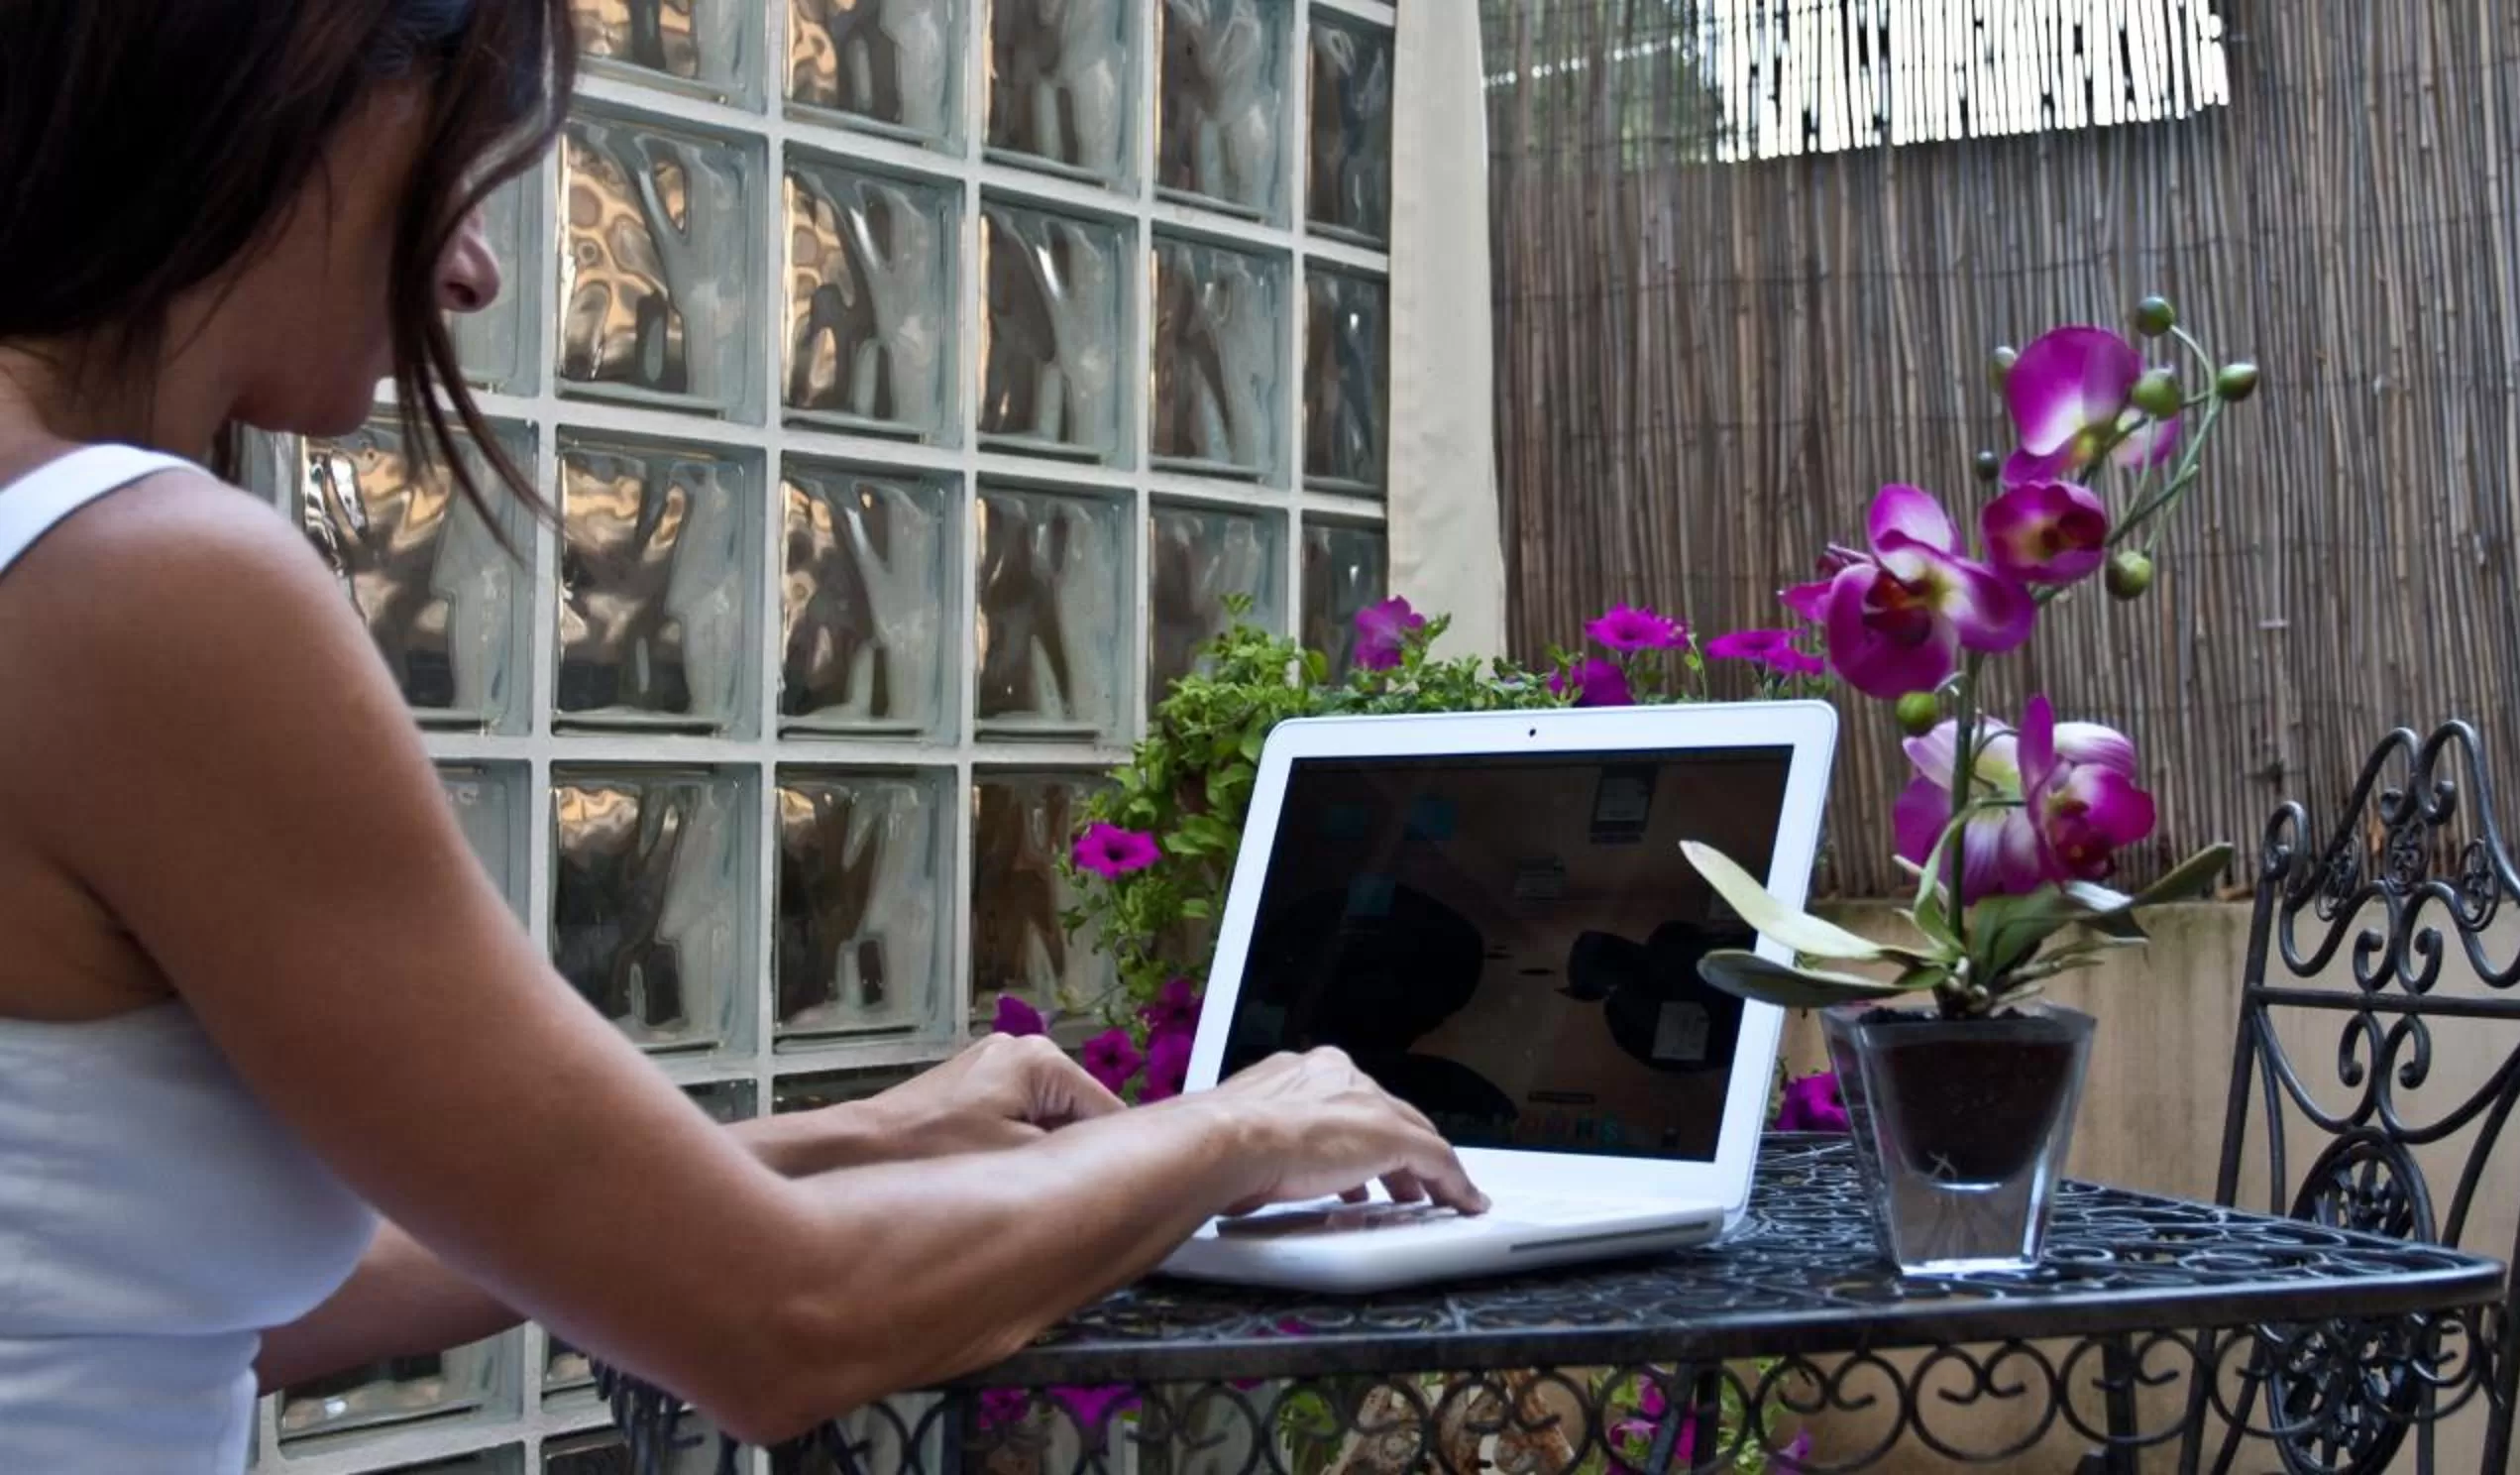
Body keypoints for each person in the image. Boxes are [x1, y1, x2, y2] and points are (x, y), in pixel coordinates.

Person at [0, 3, 1482, 1469]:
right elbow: (777, 1322)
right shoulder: (144, 582)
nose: (470, 267)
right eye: (457, 171)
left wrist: (869, 1136)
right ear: (295, 85)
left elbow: (244, 1305)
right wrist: (1239, 1127)